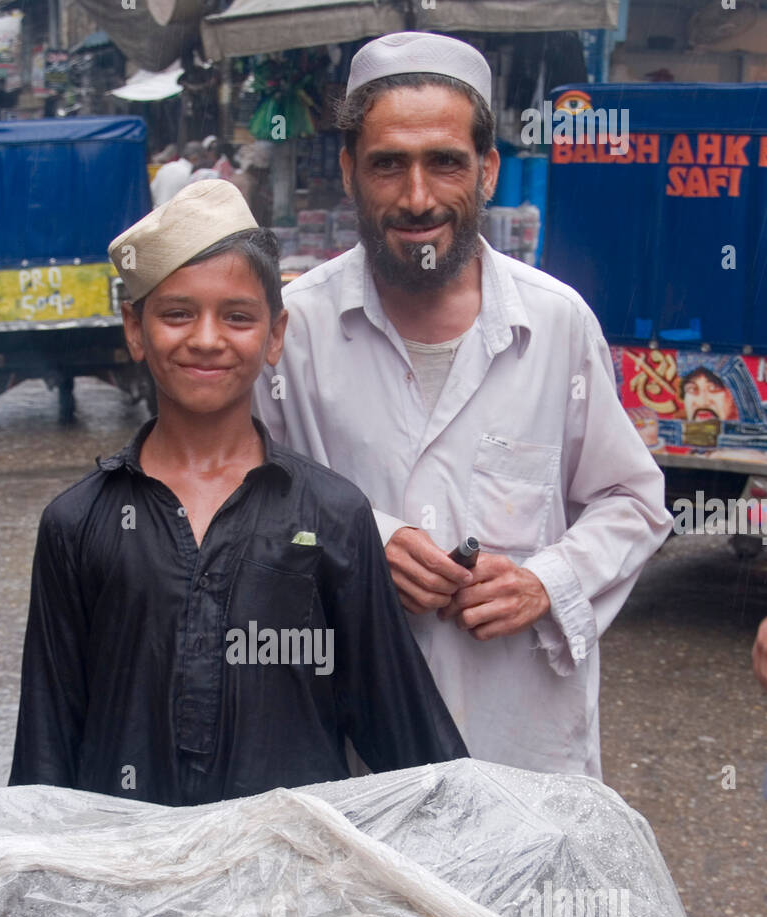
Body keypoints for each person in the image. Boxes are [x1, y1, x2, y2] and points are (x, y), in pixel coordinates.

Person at [254, 31, 671, 779]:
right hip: (352, 768)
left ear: (486, 172)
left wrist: (546, 581)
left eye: (444, 161)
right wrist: (360, 543)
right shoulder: (296, 330)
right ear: (349, 172)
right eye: (389, 164)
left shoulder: (556, 324)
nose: (418, 198)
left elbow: (632, 503)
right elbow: (242, 509)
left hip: (524, 757)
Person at [10, 181, 466, 805]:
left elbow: (407, 739)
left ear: (275, 334)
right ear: (135, 329)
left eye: (237, 316)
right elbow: (45, 748)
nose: (205, 338)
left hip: (293, 883)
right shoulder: (77, 523)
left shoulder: (332, 516)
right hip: (124, 883)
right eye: (176, 313)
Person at [150, 142, 203, 207]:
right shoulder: (191, 174)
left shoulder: (165, 167)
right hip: (178, 213)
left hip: (158, 212)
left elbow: (152, 190)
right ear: (194, 158)